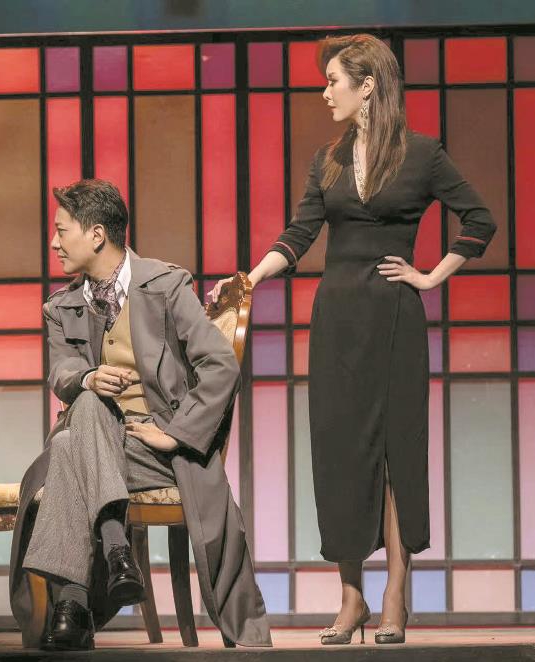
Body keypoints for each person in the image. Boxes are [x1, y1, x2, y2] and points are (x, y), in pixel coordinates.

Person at [210, 34, 495, 646]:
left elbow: (480, 219)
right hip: (337, 319)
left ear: (367, 87)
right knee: (339, 451)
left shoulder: (422, 154)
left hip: (393, 316)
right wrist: (248, 279)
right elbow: (299, 234)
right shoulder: (328, 160)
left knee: (395, 452)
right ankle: (350, 595)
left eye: (333, 80)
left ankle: (395, 593)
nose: (325, 92)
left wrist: (430, 276)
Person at [9, 179, 271, 651]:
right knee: (85, 413)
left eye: (61, 231)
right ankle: (117, 552)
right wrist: (88, 377)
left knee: (68, 447)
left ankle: (73, 605)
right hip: (103, 447)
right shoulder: (62, 306)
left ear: (96, 235)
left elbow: (220, 365)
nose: (53, 243)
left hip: (158, 453)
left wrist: (177, 433)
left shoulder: (166, 285)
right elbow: (62, 371)